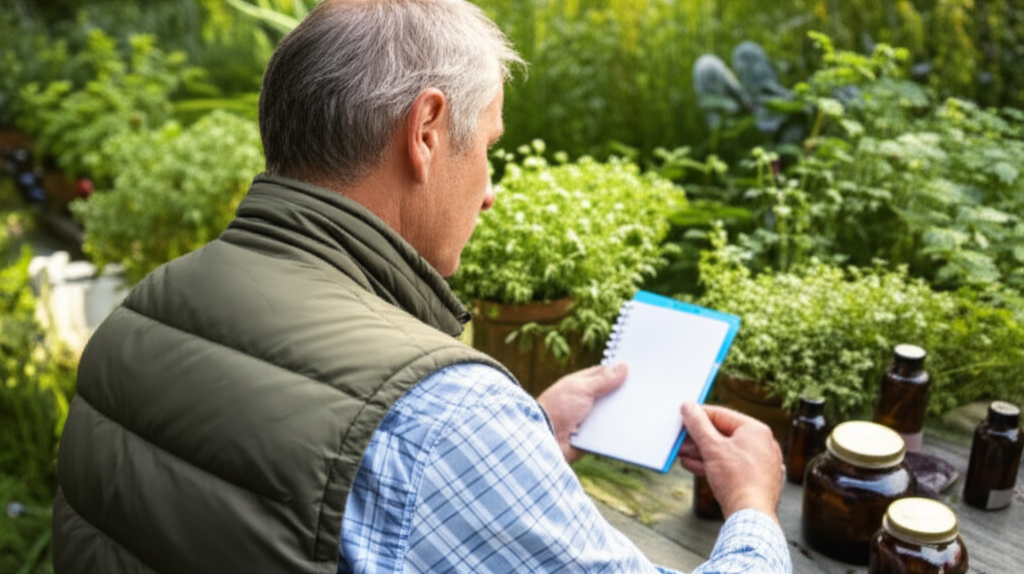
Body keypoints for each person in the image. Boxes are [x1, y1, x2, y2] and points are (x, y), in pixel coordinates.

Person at [51, 0, 791, 572]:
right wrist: (754, 507)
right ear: (428, 130)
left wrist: (520, 439)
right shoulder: (443, 420)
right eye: (490, 147)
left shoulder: (139, 317)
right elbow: (401, 447)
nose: (491, 191)